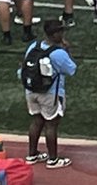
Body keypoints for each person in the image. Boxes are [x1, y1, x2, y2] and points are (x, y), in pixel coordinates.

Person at [23, 19, 76, 169]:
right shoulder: (58, 53)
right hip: (50, 93)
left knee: (36, 121)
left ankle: (32, 155)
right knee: (51, 124)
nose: (63, 34)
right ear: (55, 34)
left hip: (30, 91)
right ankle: (53, 159)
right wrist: (66, 50)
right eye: (61, 31)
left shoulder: (34, 46)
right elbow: (71, 70)